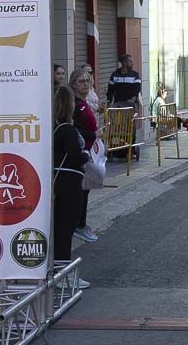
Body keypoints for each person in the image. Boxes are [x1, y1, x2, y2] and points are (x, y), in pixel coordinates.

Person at [51, 85, 90, 289]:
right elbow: (75, 157)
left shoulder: (55, 128)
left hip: (60, 183)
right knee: (66, 228)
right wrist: (87, 155)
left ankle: (59, 271)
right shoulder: (67, 130)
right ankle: (62, 274)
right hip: (69, 183)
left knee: (61, 229)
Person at [69, 67, 100, 247]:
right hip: (83, 152)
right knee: (81, 191)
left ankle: (81, 224)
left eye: (88, 81)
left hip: (91, 151)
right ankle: (77, 225)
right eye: (81, 81)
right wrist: (94, 134)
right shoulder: (75, 104)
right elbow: (77, 129)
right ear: (73, 84)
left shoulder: (84, 102)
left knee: (86, 189)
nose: (85, 84)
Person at [107, 54, 143, 161]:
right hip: (118, 104)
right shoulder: (115, 75)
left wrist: (132, 99)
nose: (132, 63)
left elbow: (136, 90)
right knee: (116, 125)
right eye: (130, 61)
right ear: (124, 63)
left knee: (129, 125)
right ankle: (115, 146)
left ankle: (130, 148)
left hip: (130, 105)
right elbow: (110, 90)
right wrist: (109, 101)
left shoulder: (135, 75)